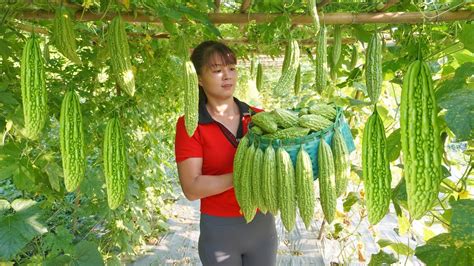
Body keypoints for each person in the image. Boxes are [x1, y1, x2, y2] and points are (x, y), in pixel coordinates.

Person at [174, 41, 278, 266]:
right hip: (219, 232)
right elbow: (191, 188)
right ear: (199, 79)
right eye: (217, 70)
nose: (227, 76)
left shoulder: (259, 118)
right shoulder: (190, 125)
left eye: (231, 68)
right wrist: (245, 175)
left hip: (263, 227)